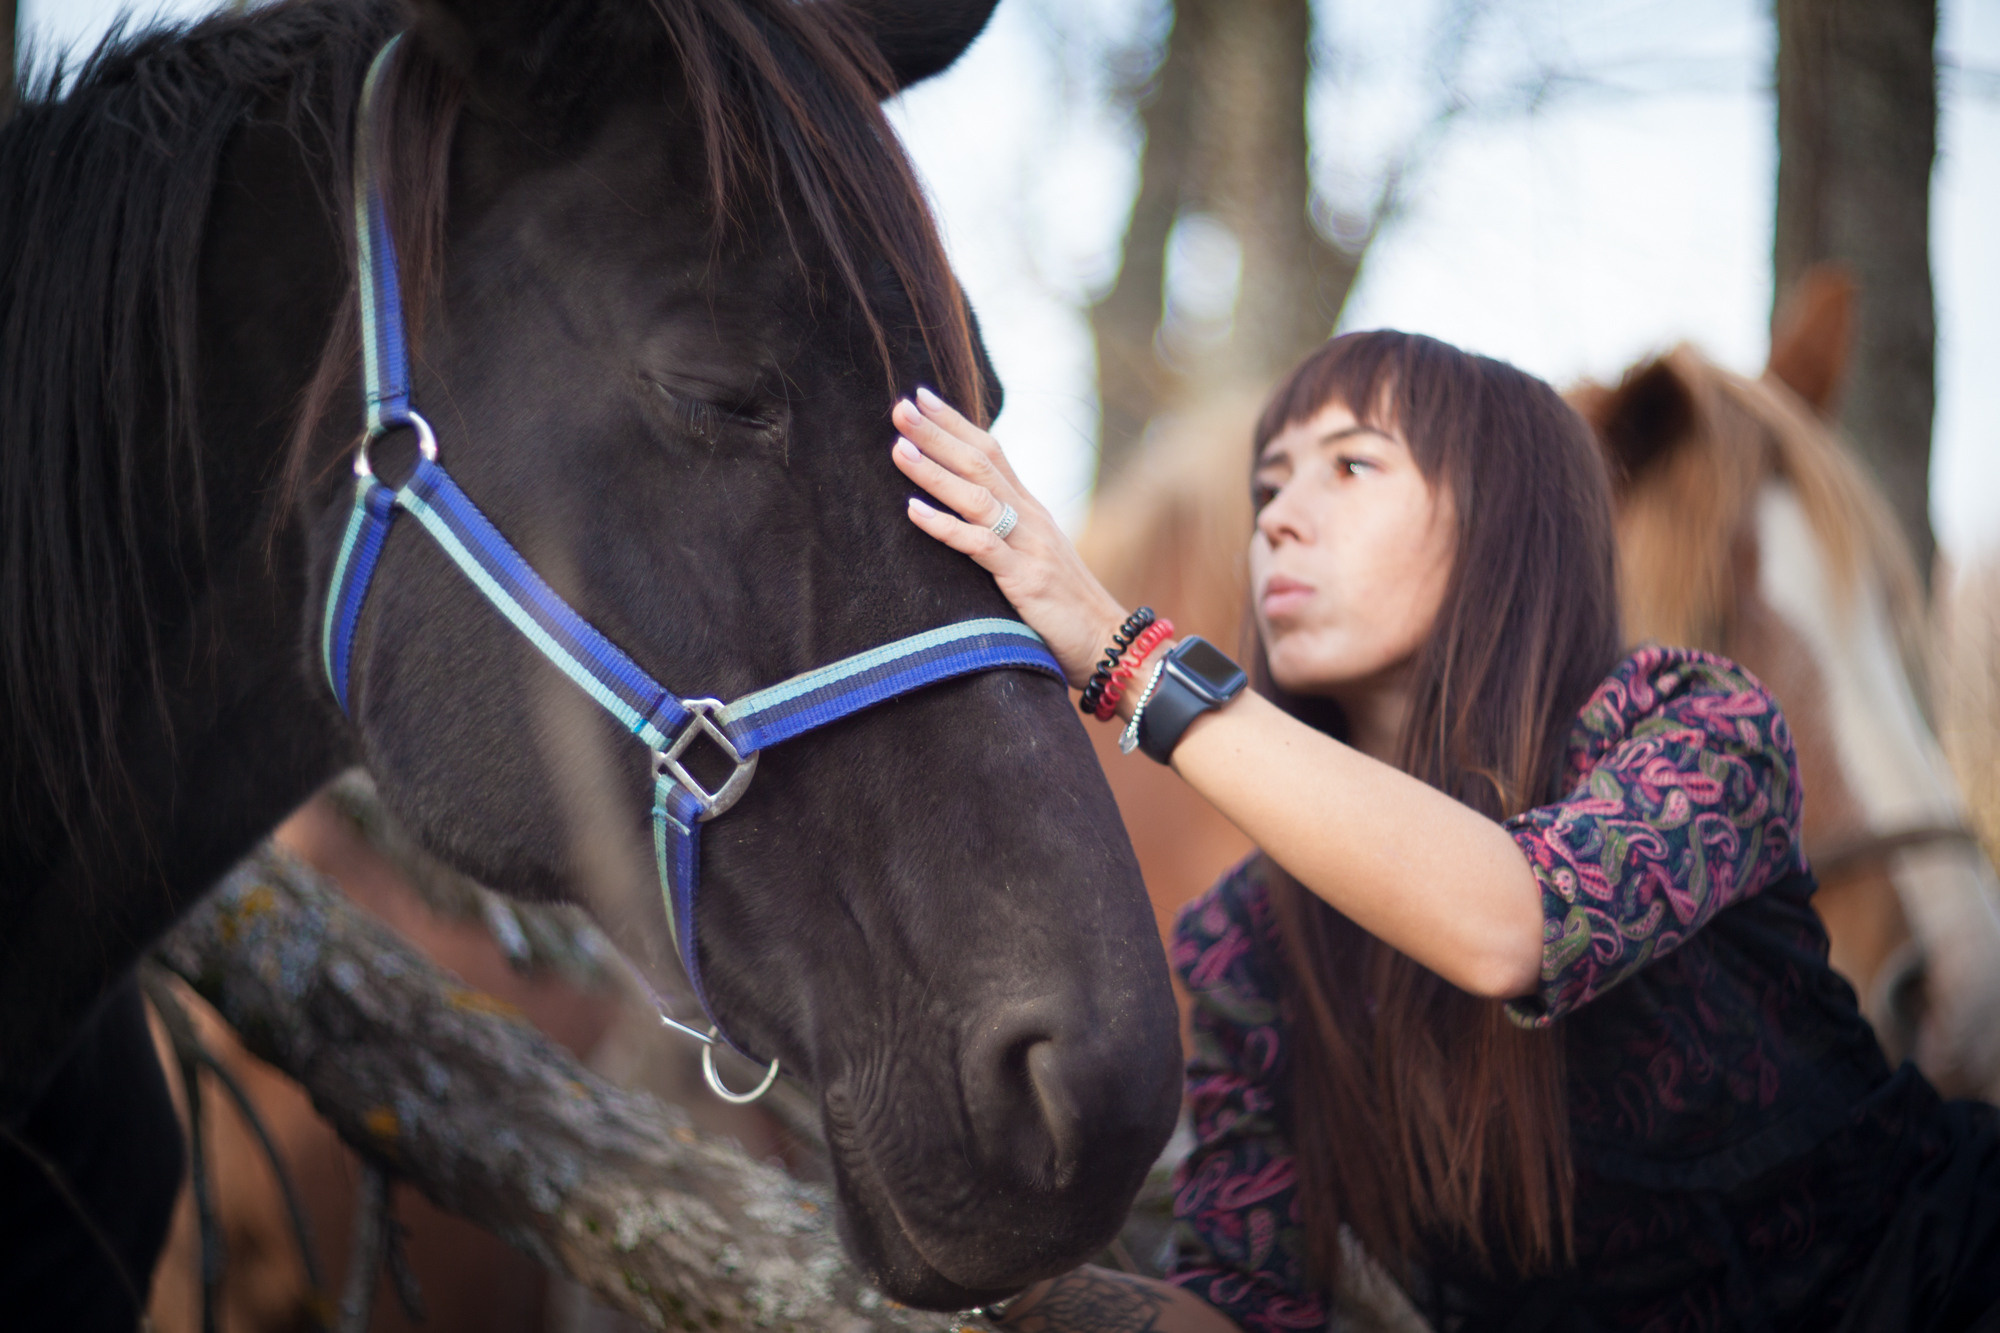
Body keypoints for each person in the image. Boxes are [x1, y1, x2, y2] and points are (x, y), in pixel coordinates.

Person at [888, 330, 2000, 1332]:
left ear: (1500, 524)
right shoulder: (1248, 940)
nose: (1274, 515)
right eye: (1268, 481)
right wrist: (993, 1260)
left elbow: (1514, 923)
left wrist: (1115, 648)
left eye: (1349, 464)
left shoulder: (1689, 725)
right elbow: (1245, 1308)